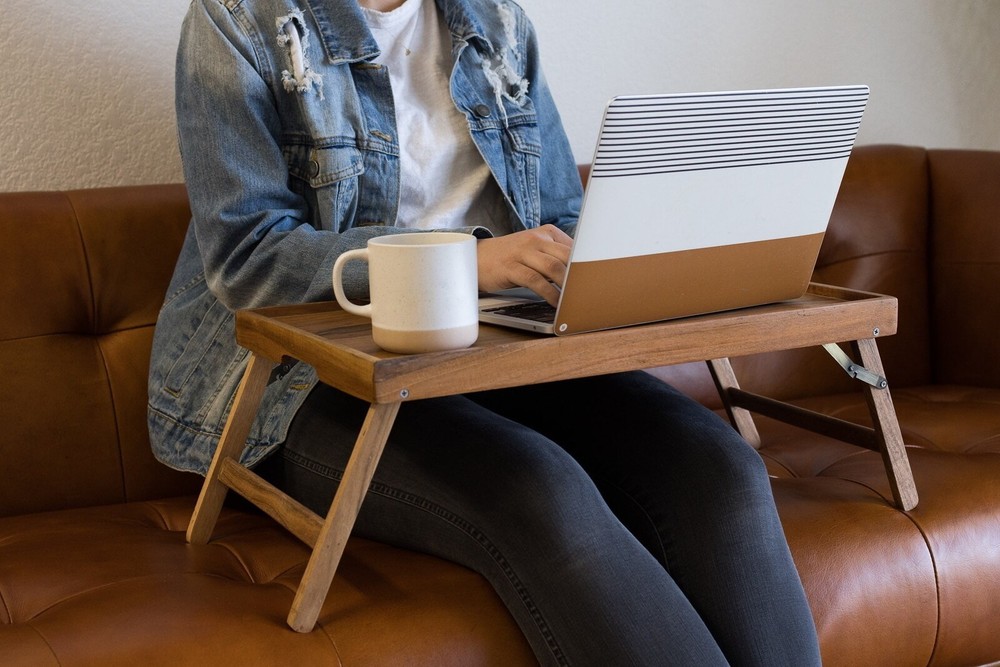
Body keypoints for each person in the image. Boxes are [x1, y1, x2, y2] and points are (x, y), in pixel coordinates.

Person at [148, 0, 822, 664]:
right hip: (314, 384)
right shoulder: (237, 23)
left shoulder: (496, 22)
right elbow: (249, 258)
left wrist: (641, 260)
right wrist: (462, 259)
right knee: (539, 490)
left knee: (720, 466)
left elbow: (558, 216)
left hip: (499, 355)